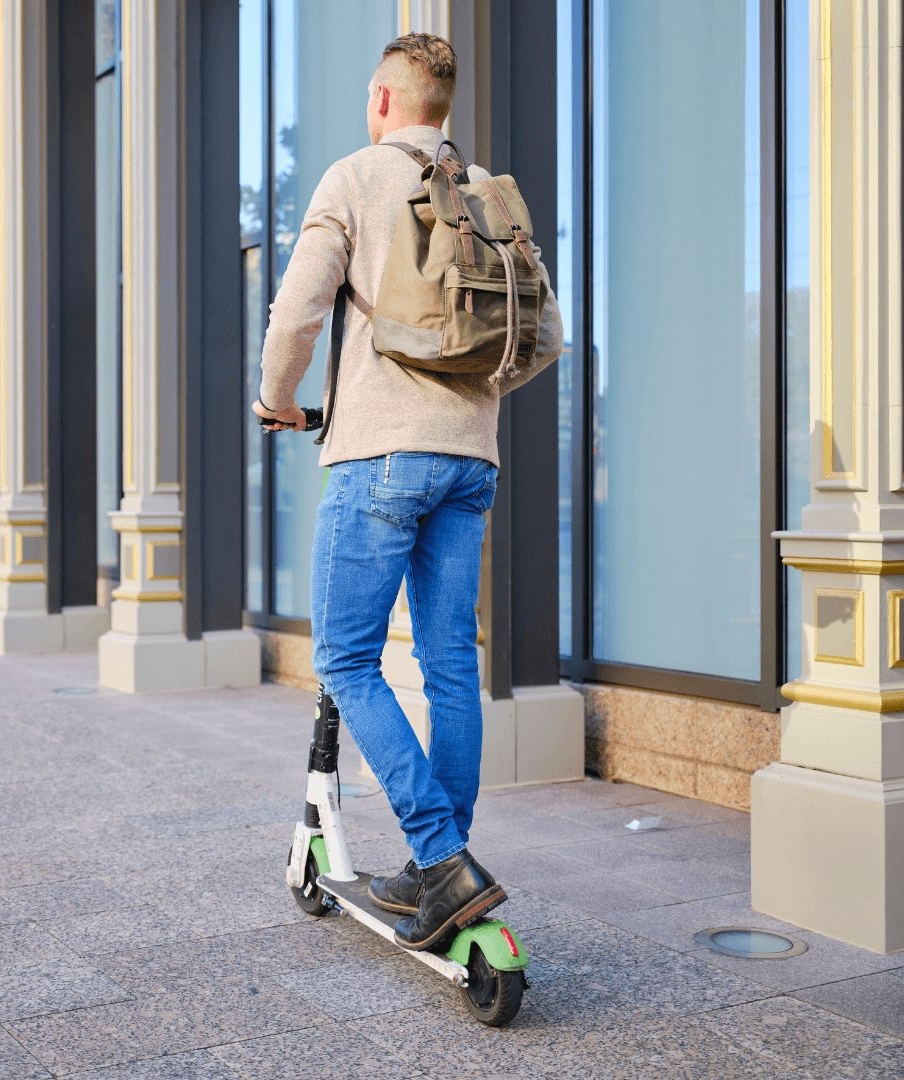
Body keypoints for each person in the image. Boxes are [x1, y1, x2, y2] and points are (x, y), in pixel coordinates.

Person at [253, 32, 563, 952]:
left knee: (347, 660)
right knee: (449, 665)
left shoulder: (354, 178)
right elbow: (536, 337)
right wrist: (467, 406)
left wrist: (278, 401)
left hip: (379, 457)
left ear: (386, 101)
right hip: (472, 461)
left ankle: (437, 858)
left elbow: (298, 310)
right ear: (442, 108)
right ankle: (450, 866)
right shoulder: (484, 193)